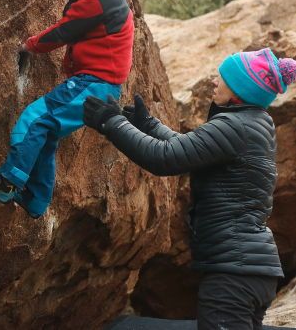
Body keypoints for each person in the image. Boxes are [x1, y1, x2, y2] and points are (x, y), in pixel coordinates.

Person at [83, 48, 296, 330]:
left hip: (234, 273)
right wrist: (148, 125)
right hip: (251, 271)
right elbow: (189, 149)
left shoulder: (234, 126)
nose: (214, 81)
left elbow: (165, 158)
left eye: (223, 78)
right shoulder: (253, 123)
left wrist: (111, 122)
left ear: (241, 90)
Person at [0, 0, 134, 218]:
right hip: (102, 86)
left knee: (36, 118)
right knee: (47, 134)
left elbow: (64, 31)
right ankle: (35, 200)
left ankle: (8, 181)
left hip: (94, 85)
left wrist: (29, 45)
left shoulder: (96, 2)